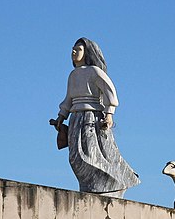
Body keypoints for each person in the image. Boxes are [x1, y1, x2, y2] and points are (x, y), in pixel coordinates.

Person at [53, 37, 139, 197]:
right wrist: (61, 116)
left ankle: (110, 186)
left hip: (91, 119)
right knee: (76, 158)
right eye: (72, 48)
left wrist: (109, 114)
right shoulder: (73, 75)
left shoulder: (94, 71)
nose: (73, 52)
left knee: (92, 155)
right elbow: (68, 98)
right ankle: (89, 188)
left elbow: (109, 92)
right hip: (75, 120)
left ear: (87, 53)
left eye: (78, 49)